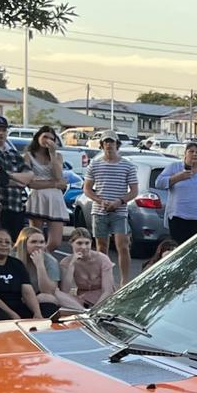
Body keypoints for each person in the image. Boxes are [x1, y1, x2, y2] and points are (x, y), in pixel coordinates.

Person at [84, 131, 139, 286]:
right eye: (106, 142)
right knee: (102, 247)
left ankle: (125, 281)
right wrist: (99, 200)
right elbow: (87, 188)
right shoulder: (95, 164)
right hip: (99, 210)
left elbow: (134, 191)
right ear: (101, 145)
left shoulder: (127, 165)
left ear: (117, 144)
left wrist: (119, 201)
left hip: (119, 211)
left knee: (122, 245)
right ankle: (105, 280)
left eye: (112, 142)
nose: (109, 145)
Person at [154, 143, 197, 242]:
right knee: (178, 248)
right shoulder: (174, 167)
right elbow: (159, 183)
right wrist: (178, 177)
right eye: (191, 151)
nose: (194, 154)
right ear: (185, 153)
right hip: (177, 217)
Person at [0, 227, 43, 320]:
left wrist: (37, 313)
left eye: (7, 242)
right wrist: (12, 314)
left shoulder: (17, 264)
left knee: (49, 308)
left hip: (17, 304)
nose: (4, 245)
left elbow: (27, 291)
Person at [0, 116, 35, 240]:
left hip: (17, 206)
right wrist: (16, 179)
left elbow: (29, 176)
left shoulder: (13, 152)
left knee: (14, 244)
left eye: (4, 130)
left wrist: (9, 175)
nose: (1, 133)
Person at [23, 125, 69, 254]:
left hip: (55, 199)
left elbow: (58, 176)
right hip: (37, 197)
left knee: (55, 242)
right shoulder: (28, 156)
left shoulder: (58, 156)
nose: (47, 140)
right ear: (38, 137)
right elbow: (30, 183)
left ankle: (42, 256)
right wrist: (53, 184)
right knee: (34, 236)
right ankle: (33, 261)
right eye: (45, 137)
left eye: (51, 138)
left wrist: (52, 153)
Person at [14, 225, 80, 314]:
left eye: (42, 242)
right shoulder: (12, 258)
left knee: (49, 297)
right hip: (15, 297)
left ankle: (84, 313)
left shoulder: (50, 261)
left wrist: (40, 265)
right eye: (33, 242)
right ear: (24, 244)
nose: (38, 245)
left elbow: (48, 291)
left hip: (36, 297)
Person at [59, 228, 115, 308]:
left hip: (102, 300)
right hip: (82, 300)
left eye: (87, 243)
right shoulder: (66, 262)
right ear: (71, 243)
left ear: (91, 243)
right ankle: (83, 311)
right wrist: (71, 265)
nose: (84, 247)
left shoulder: (102, 259)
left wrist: (95, 310)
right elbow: (65, 291)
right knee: (56, 294)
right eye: (79, 243)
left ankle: (87, 312)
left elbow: (108, 291)